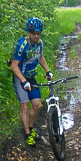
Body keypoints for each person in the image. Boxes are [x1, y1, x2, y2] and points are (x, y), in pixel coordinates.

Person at [10, 17, 52, 147]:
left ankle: (31, 127)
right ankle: (27, 134)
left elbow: (40, 56)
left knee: (38, 105)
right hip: (20, 77)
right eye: (34, 33)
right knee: (24, 106)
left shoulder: (39, 43)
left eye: (39, 33)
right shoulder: (22, 45)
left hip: (31, 77)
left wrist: (47, 71)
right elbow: (13, 66)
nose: (37, 36)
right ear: (29, 32)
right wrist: (23, 81)